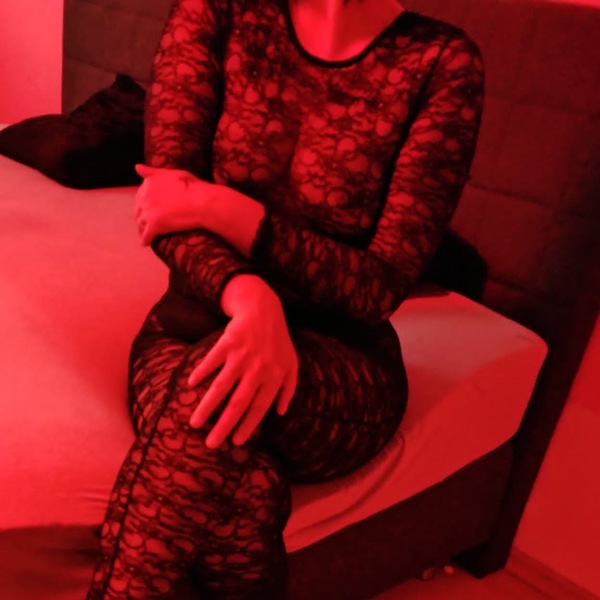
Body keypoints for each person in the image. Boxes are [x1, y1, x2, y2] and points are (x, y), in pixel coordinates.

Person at [86, 0, 484, 597]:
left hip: (343, 362)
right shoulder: (216, 11)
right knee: (243, 485)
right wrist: (249, 297)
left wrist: (226, 209)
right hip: (190, 324)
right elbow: (164, 208)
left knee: (209, 391)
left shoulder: (441, 62)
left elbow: (377, 287)